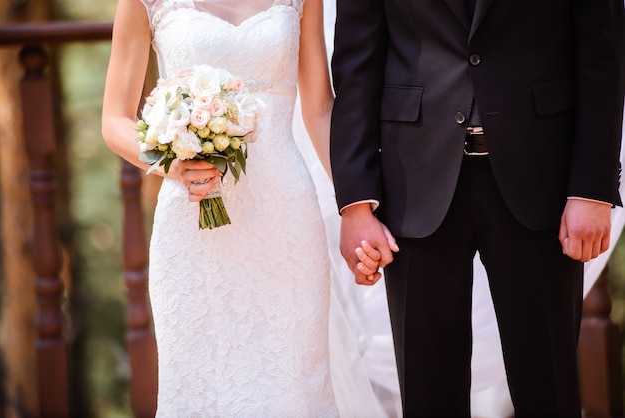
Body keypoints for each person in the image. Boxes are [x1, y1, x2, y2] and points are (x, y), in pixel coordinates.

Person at [330, 1, 625, 417]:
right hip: (415, 181)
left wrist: (592, 189)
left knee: (550, 391)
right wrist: (356, 203)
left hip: (541, 179)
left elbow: (603, 50)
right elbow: (355, 69)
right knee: (428, 396)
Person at [100, 0, 394, 415]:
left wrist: (359, 207)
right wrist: (173, 162)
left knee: (294, 383)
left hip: (286, 221)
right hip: (191, 228)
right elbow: (113, 120)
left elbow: (320, 109)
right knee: (202, 385)